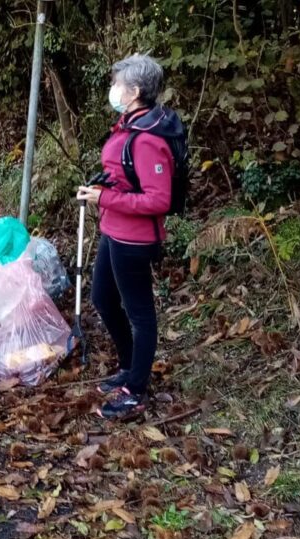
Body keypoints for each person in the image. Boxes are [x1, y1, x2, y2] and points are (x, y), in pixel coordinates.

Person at [76, 54, 185, 421]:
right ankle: (128, 367)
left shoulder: (148, 138)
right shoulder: (130, 123)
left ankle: (136, 391)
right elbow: (124, 174)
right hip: (113, 230)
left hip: (135, 240)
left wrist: (105, 198)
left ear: (135, 91)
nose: (113, 90)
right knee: (102, 298)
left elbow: (159, 199)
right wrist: (101, 187)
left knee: (140, 315)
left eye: (117, 84)